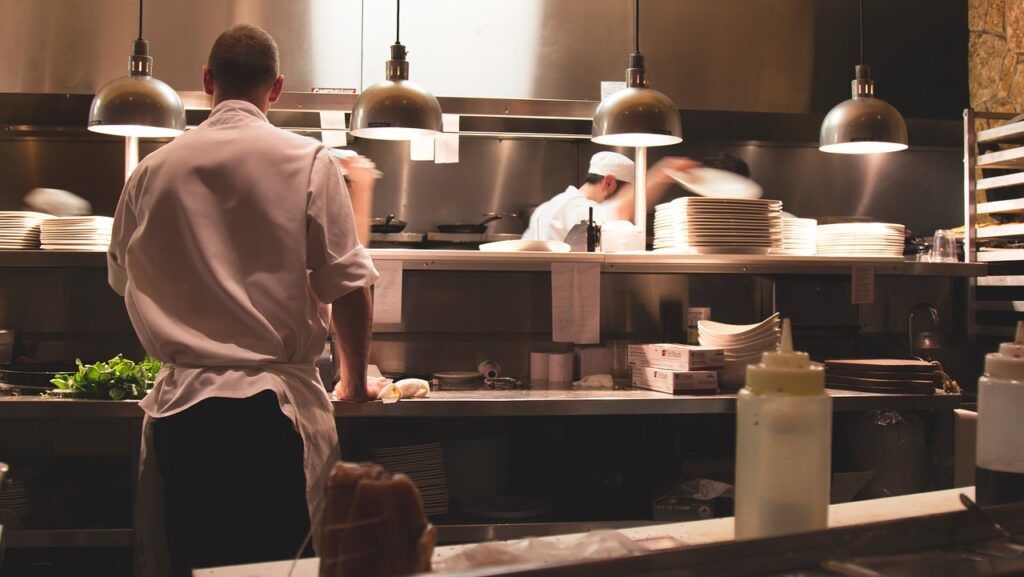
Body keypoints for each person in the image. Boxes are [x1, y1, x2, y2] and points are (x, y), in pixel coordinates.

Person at [107, 24, 380, 575]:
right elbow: (348, 285)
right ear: (276, 88)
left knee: (194, 564)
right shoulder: (308, 159)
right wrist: (351, 385)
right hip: (272, 415)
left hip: (182, 416)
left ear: (207, 81)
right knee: (283, 568)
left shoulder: (150, 170)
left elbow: (121, 279)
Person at [522, 151, 698, 242]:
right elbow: (618, 211)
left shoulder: (545, 208)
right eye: (627, 193)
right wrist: (664, 172)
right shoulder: (577, 208)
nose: (628, 199)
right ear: (608, 182)